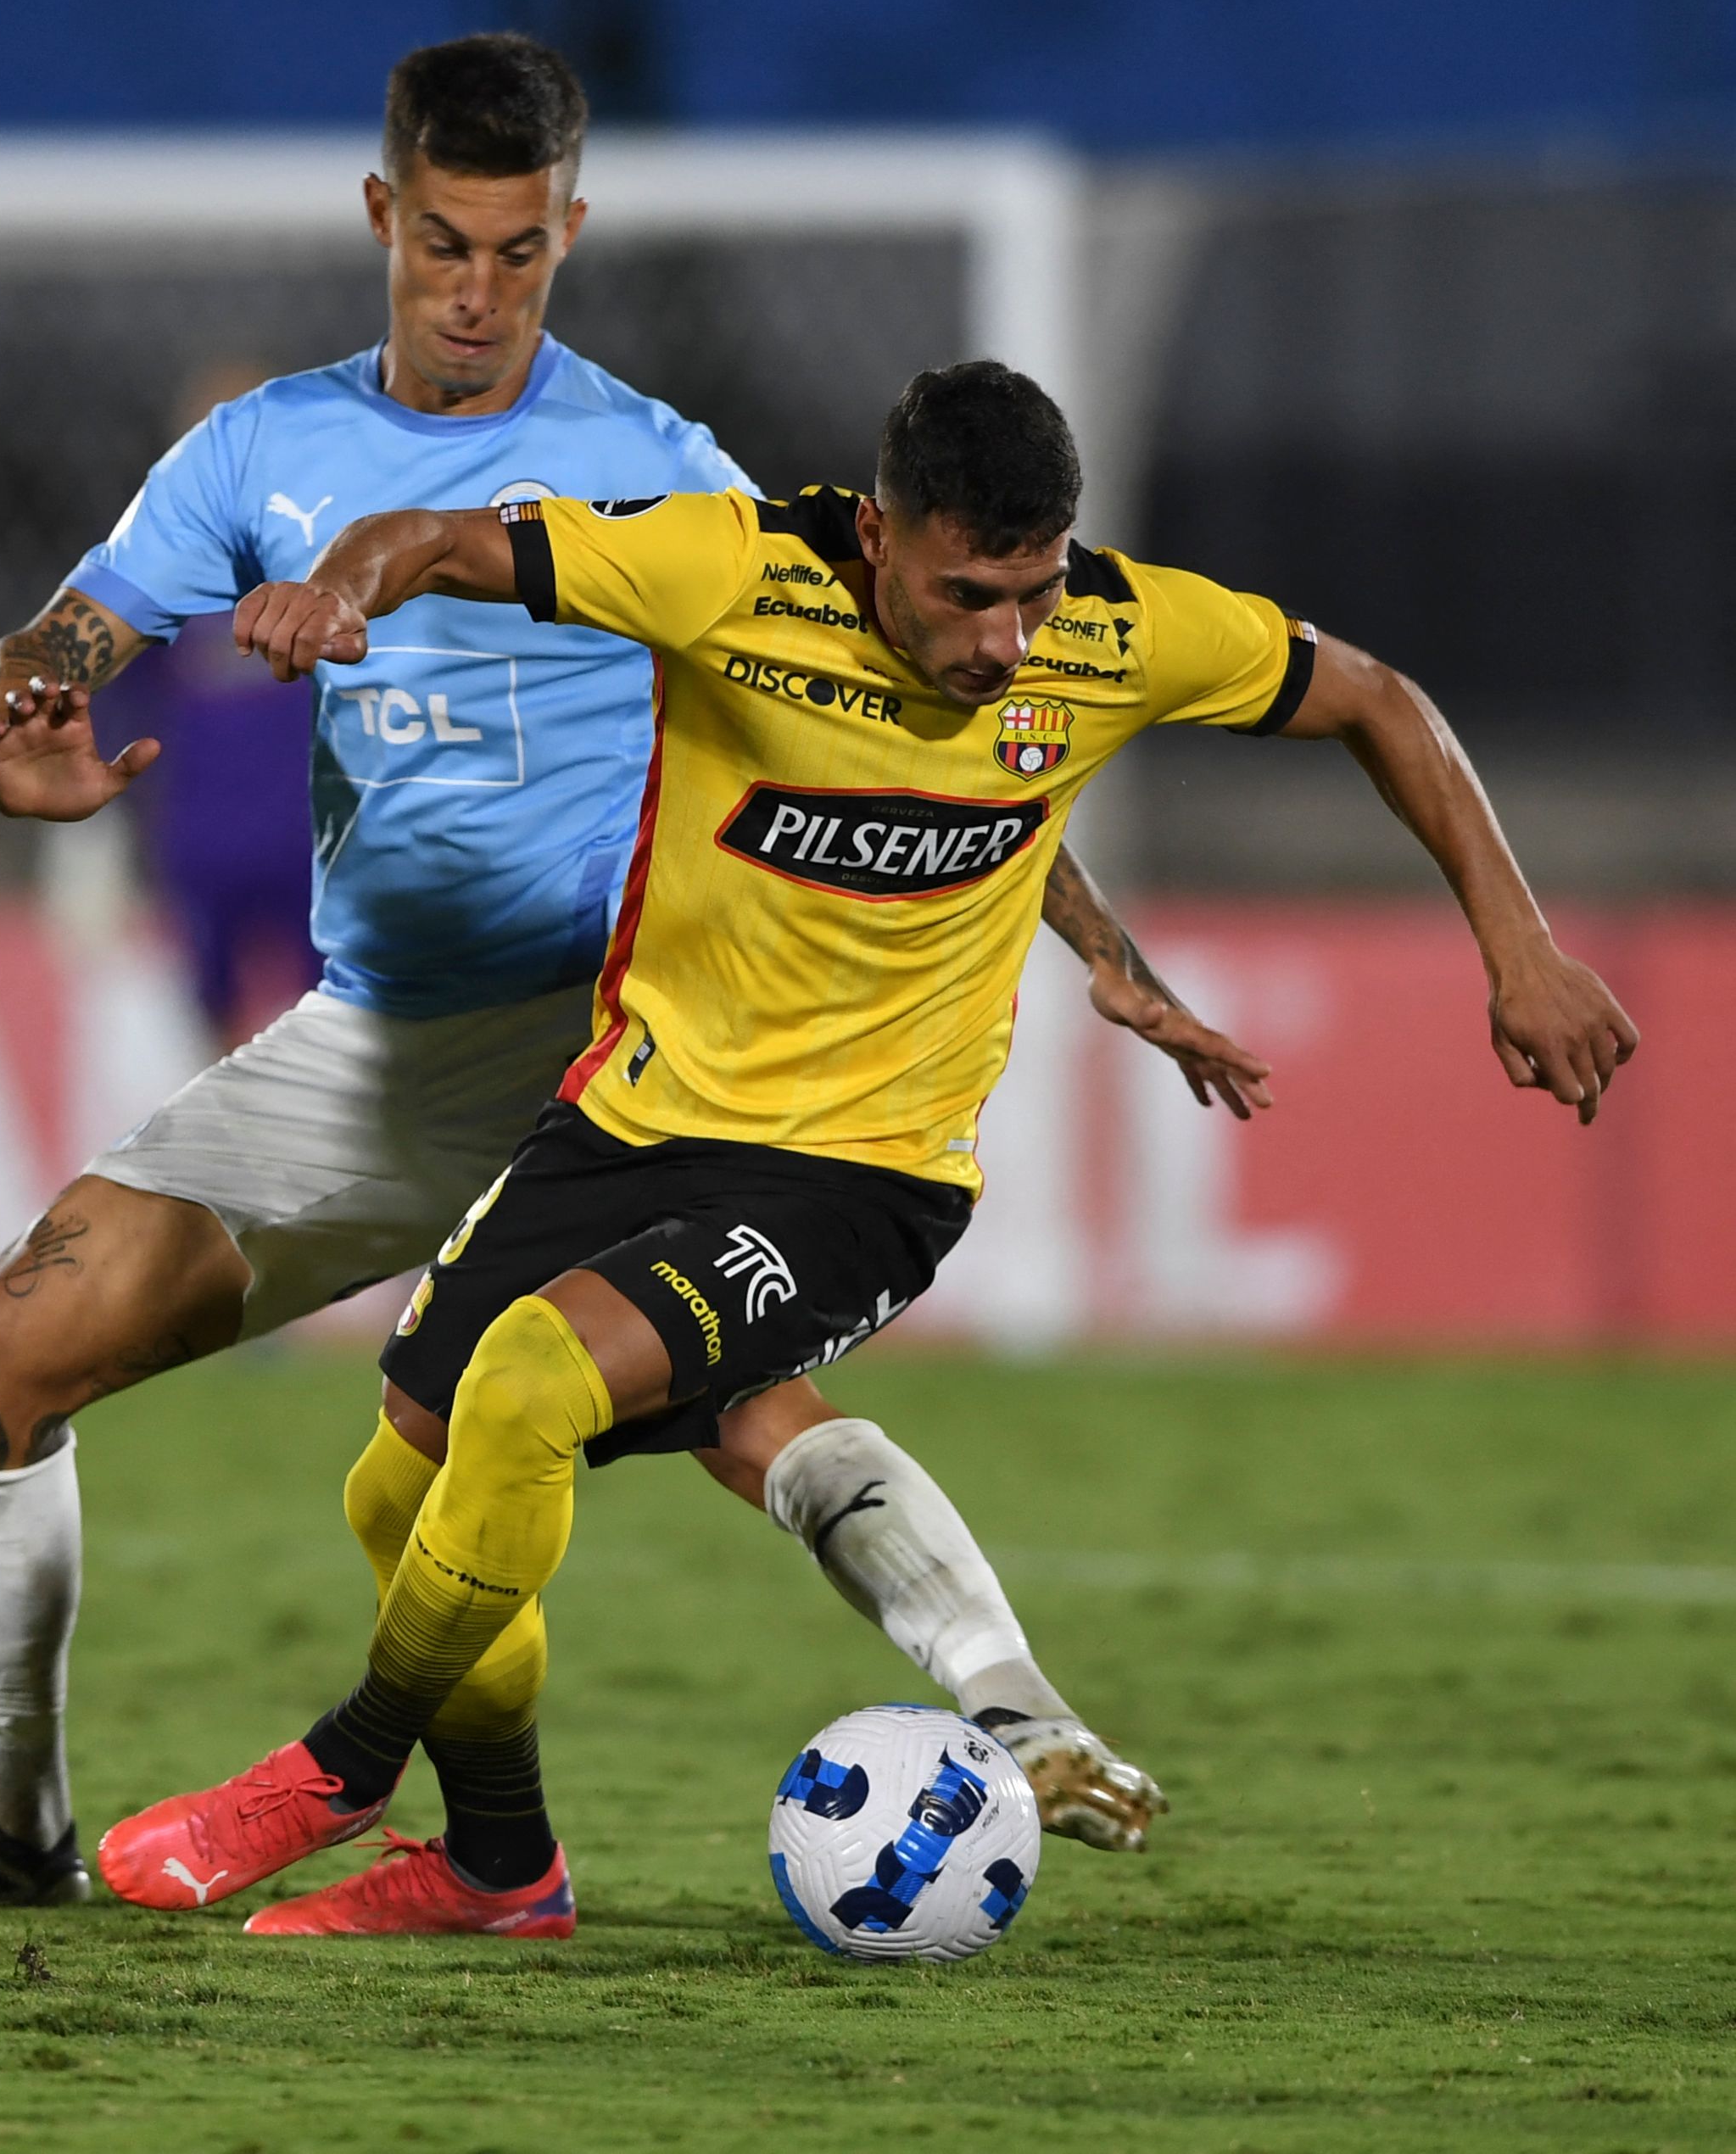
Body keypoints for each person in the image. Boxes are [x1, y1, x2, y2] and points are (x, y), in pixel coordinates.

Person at [0, 36, 1258, 1911]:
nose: (476, 296)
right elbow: (56, 642)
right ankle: (12, 1835)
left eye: (518, 253)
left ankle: (1002, 1703)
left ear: (568, 231)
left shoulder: (657, 468)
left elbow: (929, 725)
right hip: (378, 1048)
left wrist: (1098, 949)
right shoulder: (254, 453)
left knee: (707, 1404)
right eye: (444, 248)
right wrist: (11, 725)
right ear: (384, 217)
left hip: (623, 1043)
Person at [105, 358, 1638, 1937]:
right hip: (631, 1117)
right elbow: (432, 540)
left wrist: (1514, 949)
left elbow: (1374, 697)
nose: (1005, 644)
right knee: (393, 1491)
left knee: (528, 1388)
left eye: (1033, 596)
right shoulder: (728, 566)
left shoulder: (1119, 630)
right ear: (882, 529)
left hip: (861, 1176)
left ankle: (345, 1764)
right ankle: (502, 1866)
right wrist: (328, 585)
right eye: (969, 594)